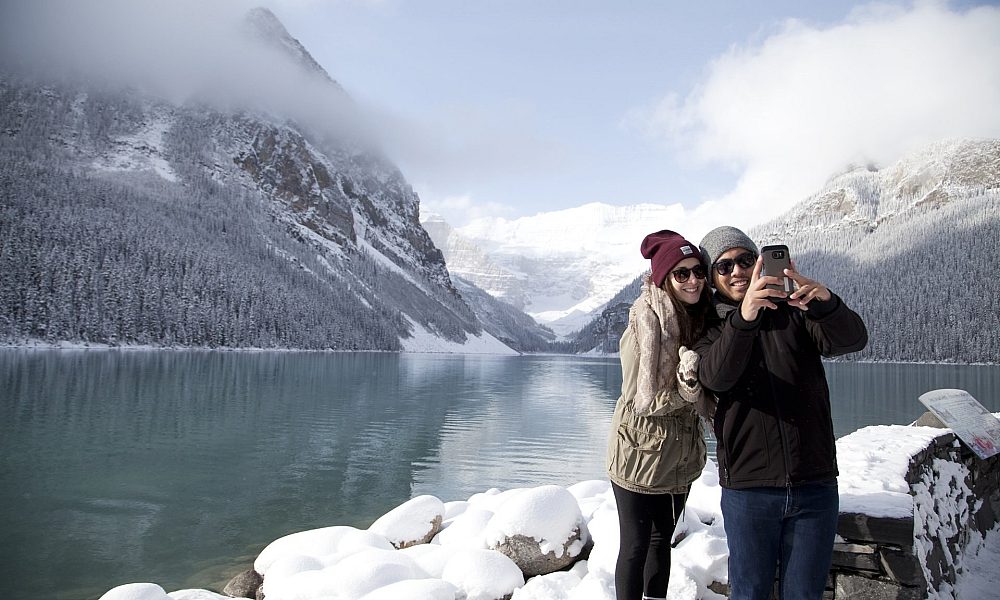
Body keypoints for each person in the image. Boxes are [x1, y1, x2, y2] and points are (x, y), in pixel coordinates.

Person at [693, 226, 869, 600]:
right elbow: (717, 378)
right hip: (748, 491)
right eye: (724, 267)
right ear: (712, 279)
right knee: (750, 592)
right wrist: (745, 316)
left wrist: (825, 303)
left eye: (745, 260)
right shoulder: (710, 331)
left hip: (815, 484)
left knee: (805, 595)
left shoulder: (797, 315)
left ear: (759, 263)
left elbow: (853, 339)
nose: (737, 271)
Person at [606, 230, 714, 600]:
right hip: (638, 452)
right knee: (636, 546)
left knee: (660, 541)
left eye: (697, 271)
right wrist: (689, 390)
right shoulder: (646, 319)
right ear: (665, 277)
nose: (693, 280)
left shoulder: (700, 317)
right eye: (681, 273)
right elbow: (643, 400)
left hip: (679, 453)